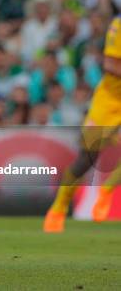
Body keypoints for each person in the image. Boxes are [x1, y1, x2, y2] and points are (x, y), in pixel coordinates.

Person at [44, 15, 121, 232]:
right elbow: (111, 64)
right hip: (111, 100)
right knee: (86, 159)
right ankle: (59, 206)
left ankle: (106, 191)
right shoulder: (118, 25)